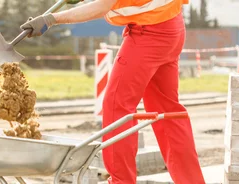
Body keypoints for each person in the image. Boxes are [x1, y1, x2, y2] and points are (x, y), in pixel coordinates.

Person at [20, 0, 206, 183]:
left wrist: (51, 19)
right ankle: (191, 180)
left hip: (148, 35)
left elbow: (102, 6)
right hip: (171, 25)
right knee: (168, 111)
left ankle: (121, 181)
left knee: (117, 106)